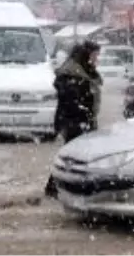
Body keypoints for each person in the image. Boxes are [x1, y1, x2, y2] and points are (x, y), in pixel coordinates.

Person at [44, 40, 103, 198]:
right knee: (72, 156)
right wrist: (82, 113)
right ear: (86, 54)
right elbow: (69, 99)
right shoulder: (71, 73)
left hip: (82, 121)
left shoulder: (85, 70)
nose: (97, 58)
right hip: (74, 121)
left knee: (75, 156)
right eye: (95, 55)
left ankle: (64, 187)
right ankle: (57, 187)